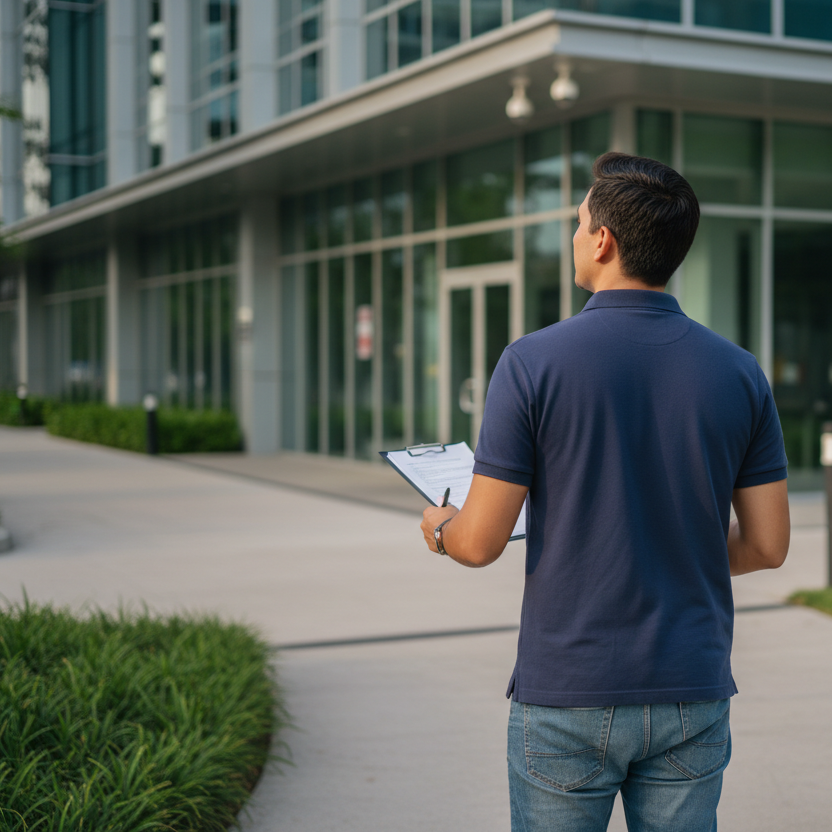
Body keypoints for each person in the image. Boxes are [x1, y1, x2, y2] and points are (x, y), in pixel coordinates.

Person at [420, 152, 790, 832]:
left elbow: (478, 544)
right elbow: (767, 546)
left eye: (576, 220)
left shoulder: (531, 362)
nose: (571, 234)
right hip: (691, 688)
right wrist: (677, 547)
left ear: (603, 241)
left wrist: (440, 526)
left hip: (568, 693)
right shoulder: (740, 373)